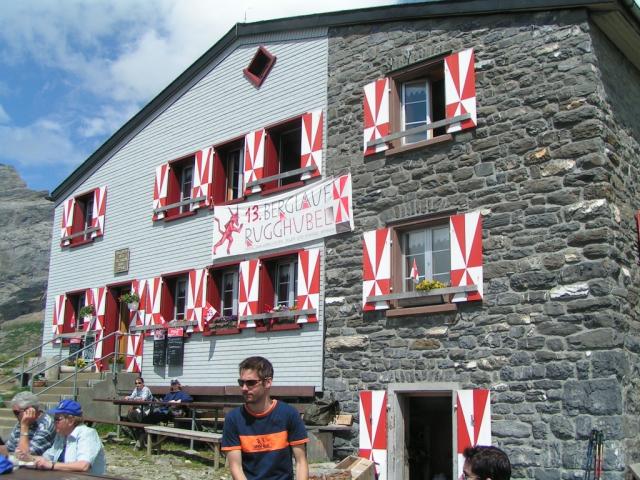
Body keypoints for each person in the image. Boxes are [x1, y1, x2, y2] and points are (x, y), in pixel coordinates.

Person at [222, 356, 309, 480]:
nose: (244, 388)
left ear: (268, 382)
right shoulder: (233, 419)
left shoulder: (289, 414)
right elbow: (236, 467)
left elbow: (301, 461)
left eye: (251, 383)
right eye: (241, 383)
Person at [28, 399, 106, 474]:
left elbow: (83, 465)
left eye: (57, 419)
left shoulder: (87, 434)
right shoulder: (62, 435)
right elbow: (47, 457)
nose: (54, 422)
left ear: (71, 420)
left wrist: (52, 465)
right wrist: (28, 458)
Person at [0, 391, 55, 457]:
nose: (15, 415)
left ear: (30, 410)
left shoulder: (45, 426)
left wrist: (24, 426)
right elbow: (9, 448)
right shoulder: (23, 421)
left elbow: (25, 455)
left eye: (16, 412)